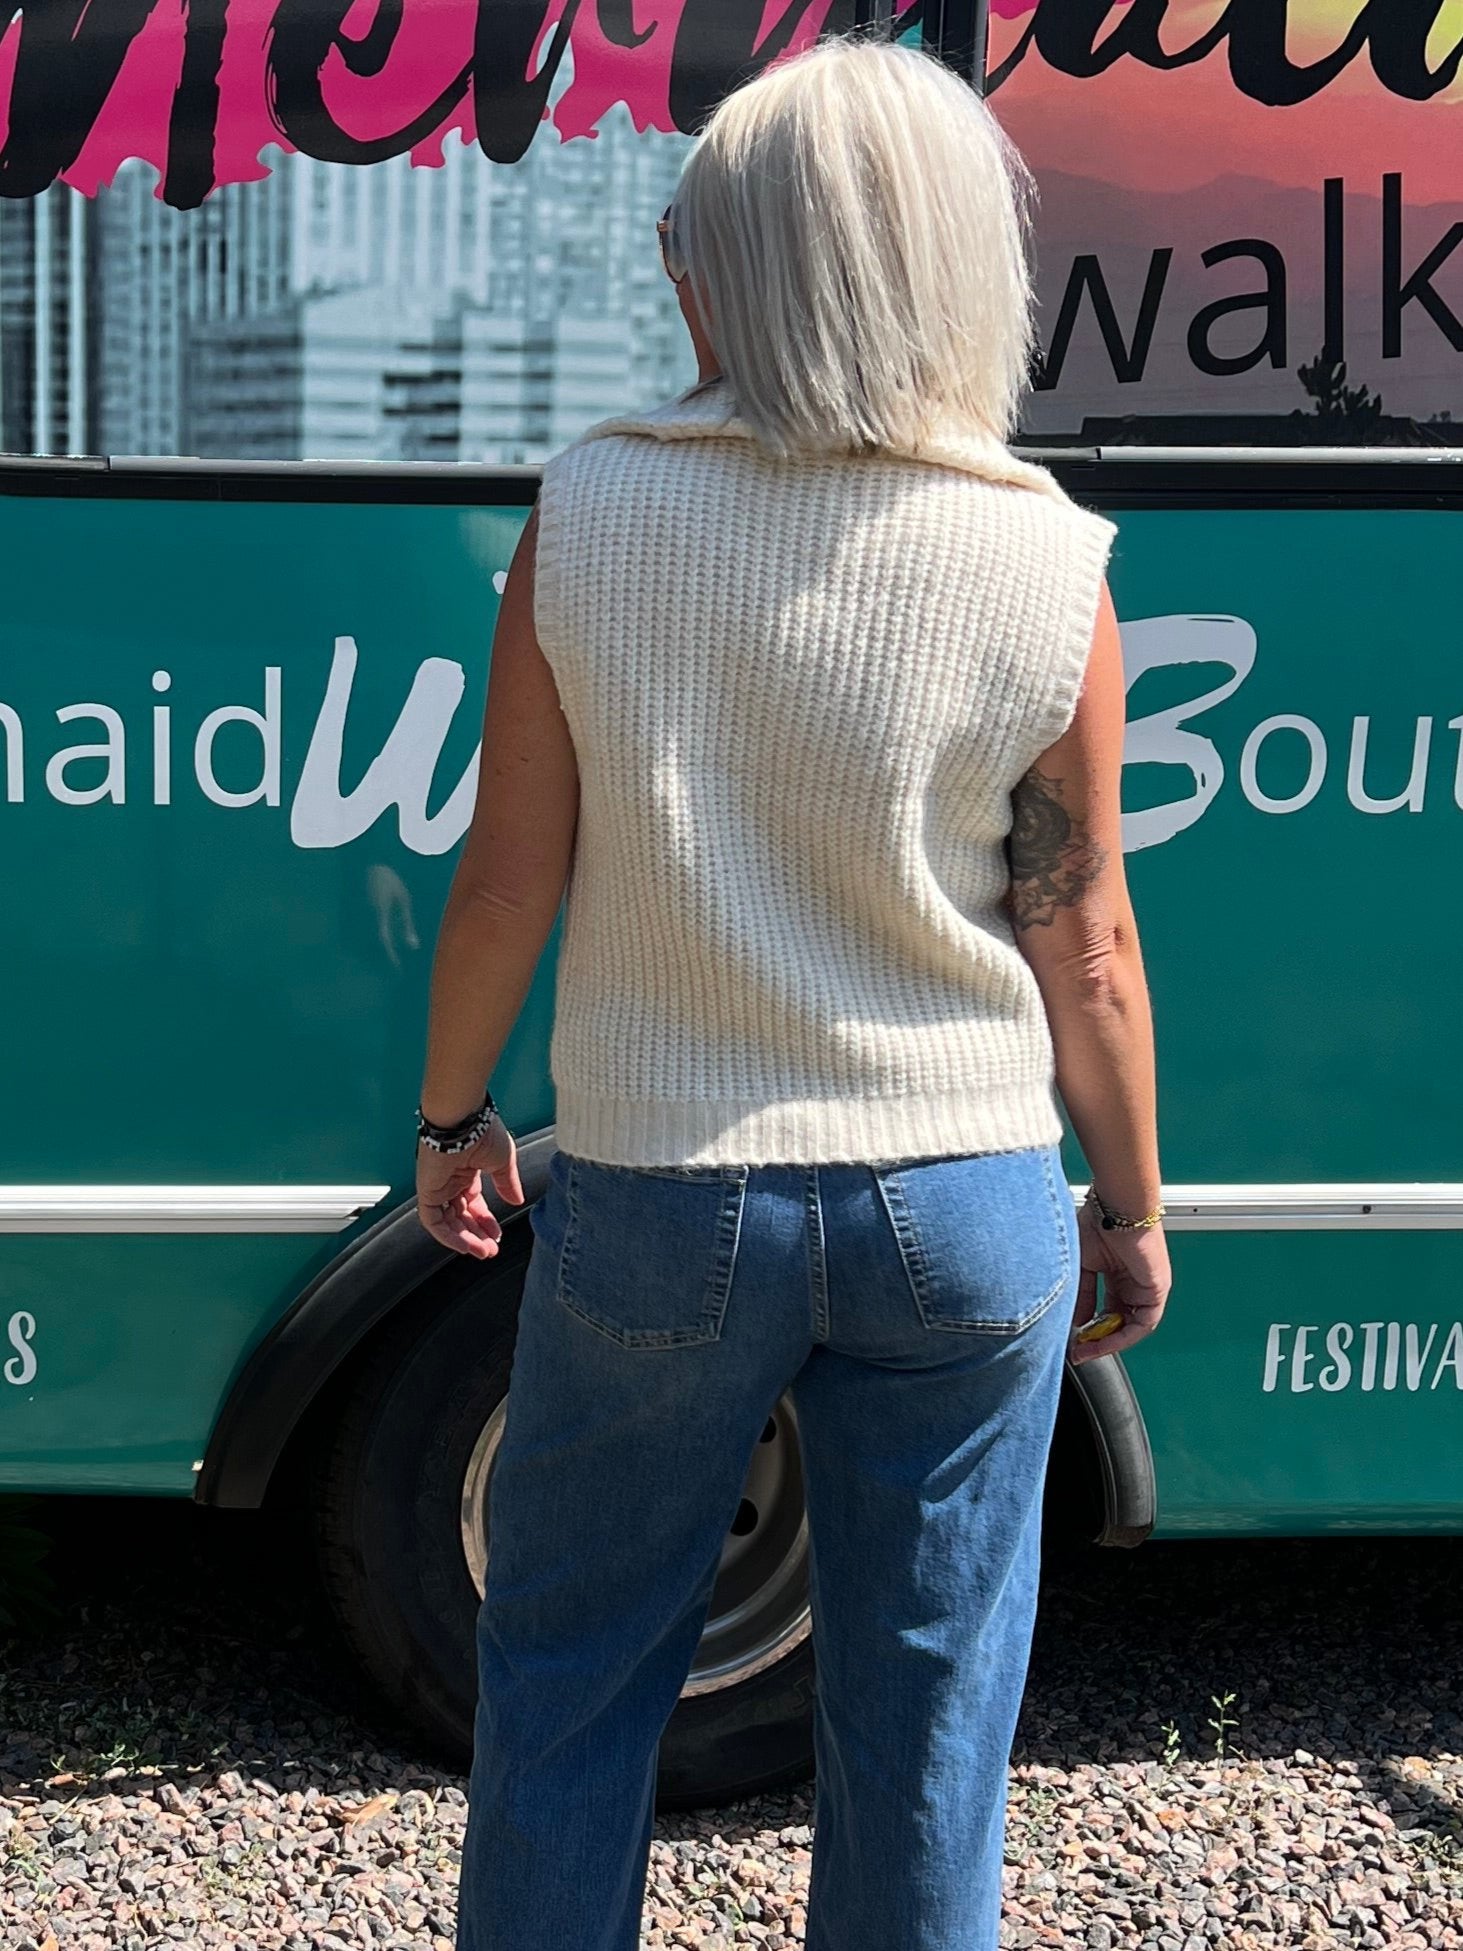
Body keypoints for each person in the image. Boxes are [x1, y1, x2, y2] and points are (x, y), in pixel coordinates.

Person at [415, 34, 1172, 1951]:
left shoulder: (587, 514)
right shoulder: (1042, 553)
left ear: (731, 269)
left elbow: (510, 875)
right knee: (928, 1726)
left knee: (573, 1676)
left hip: (665, 1188)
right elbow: (1081, 930)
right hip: (968, 1203)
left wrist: (450, 1122)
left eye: (685, 234)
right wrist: (1137, 1206)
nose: (671, 265)